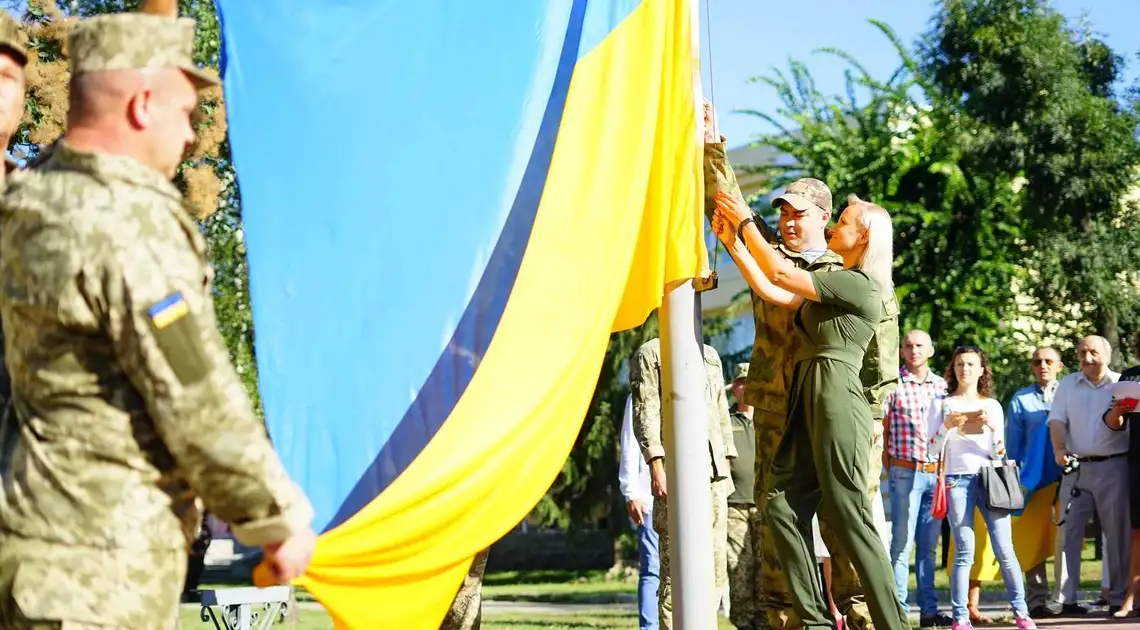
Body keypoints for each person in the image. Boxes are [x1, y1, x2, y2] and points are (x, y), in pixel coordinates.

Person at [0, 13, 316, 629]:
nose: (192, 136)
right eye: (186, 114)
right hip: (98, 567)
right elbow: (192, 388)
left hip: (32, 541)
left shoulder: (29, 204)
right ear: (143, 105)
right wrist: (274, 517)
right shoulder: (126, 221)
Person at [704, 103, 897, 630]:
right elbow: (766, 275)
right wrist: (712, 154)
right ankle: (803, 622)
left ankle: (874, 620)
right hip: (785, 406)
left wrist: (874, 415)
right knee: (781, 516)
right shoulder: (795, 266)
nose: (789, 221)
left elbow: (879, 350)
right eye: (782, 213)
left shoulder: (853, 279)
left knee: (848, 523)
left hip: (837, 403)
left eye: (804, 214)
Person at [925, 346, 1036, 630]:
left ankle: (1021, 613)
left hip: (991, 477)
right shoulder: (942, 404)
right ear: (953, 369)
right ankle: (960, 617)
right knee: (964, 550)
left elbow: (1000, 453)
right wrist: (946, 427)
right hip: (956, 480)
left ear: (982, 370)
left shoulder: (992, 406)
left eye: (971, 364)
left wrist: (992, 430)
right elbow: (931, 449)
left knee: (1004, 548)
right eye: (960, 364)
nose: (965, 369)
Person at [631, 336, 736, 629]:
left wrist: (727, 466)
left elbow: (721, 411)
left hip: (714, 476)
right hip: (677, 474)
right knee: (676, 573)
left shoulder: (710, 354)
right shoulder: (651, 353)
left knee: (715, 571)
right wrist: (656, 465)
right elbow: (645, 411)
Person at [1046, 335, 1128, 615]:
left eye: (1093, 351)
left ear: (1108, 354)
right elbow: (1057, 419)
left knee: (1117, 535)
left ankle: (1117, 597)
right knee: (1069, 534)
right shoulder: (1068, 383)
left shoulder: (1122, 384)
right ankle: (1067, 601)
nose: (1087, 357)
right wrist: (1059, 448)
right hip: (1076, 467)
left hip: (1114, 466)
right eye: (1082, 352)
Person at [882, 330, 953, 626]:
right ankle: (898, 610)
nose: (914, 350)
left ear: (931, 350)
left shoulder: (943, 387)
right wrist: (890, 467)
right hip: (904, 471)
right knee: (901, 544)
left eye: (920, 345)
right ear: (901, 351)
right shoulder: (893, 384)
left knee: (928, 547)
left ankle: (928, 611)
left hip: (934, 474)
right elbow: (882, 429)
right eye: (908, 346)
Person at [1101, 332, 1140, 618]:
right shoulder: (1130, 377)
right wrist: (1118, 410)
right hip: (1138, 461)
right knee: (1138, 531)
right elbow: (1113, 422)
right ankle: (1130, 598)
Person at [725, 364, 763, 630]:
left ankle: (764, 622)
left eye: (751, 381)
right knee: (739, 568)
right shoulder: (724, 421)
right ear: (734, 387)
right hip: (734, 505)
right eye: (740, 382)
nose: (746, 387)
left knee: (767, 569)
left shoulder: (769, 420)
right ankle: (743, 623)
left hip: (765, 505)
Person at [619, 393, 660, 630]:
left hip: (688, 502)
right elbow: (630, 442)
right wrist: (630, 491)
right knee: (652, 569)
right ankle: (650, 627)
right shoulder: (639, 395)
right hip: (650, 500)